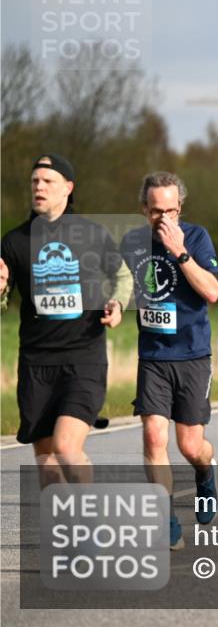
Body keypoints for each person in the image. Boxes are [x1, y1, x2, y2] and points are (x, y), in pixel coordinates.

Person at [0, 154, 131, 488]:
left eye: (48, 181)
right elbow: (4, 301)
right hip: (36, 362)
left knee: (66, 449)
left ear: (68, 188)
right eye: (35, 181)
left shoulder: (91, 234)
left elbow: (122, 276)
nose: (39, 187)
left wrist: (116, 304)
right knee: (47, 466)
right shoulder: (15, 241)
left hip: (82, 357)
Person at [120, 171, 218, 550]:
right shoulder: (132, 242)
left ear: (181, 208)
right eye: (156, 212)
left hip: (193, 353)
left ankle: (206, 473)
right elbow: (118, 285)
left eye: (171, 211)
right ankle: (165, 519)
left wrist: (180, 252)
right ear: (143, 209)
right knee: (153, 435)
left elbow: (212, 291)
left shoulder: (196, 237)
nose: (163, 219)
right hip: (153, 356)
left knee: (191, 445)